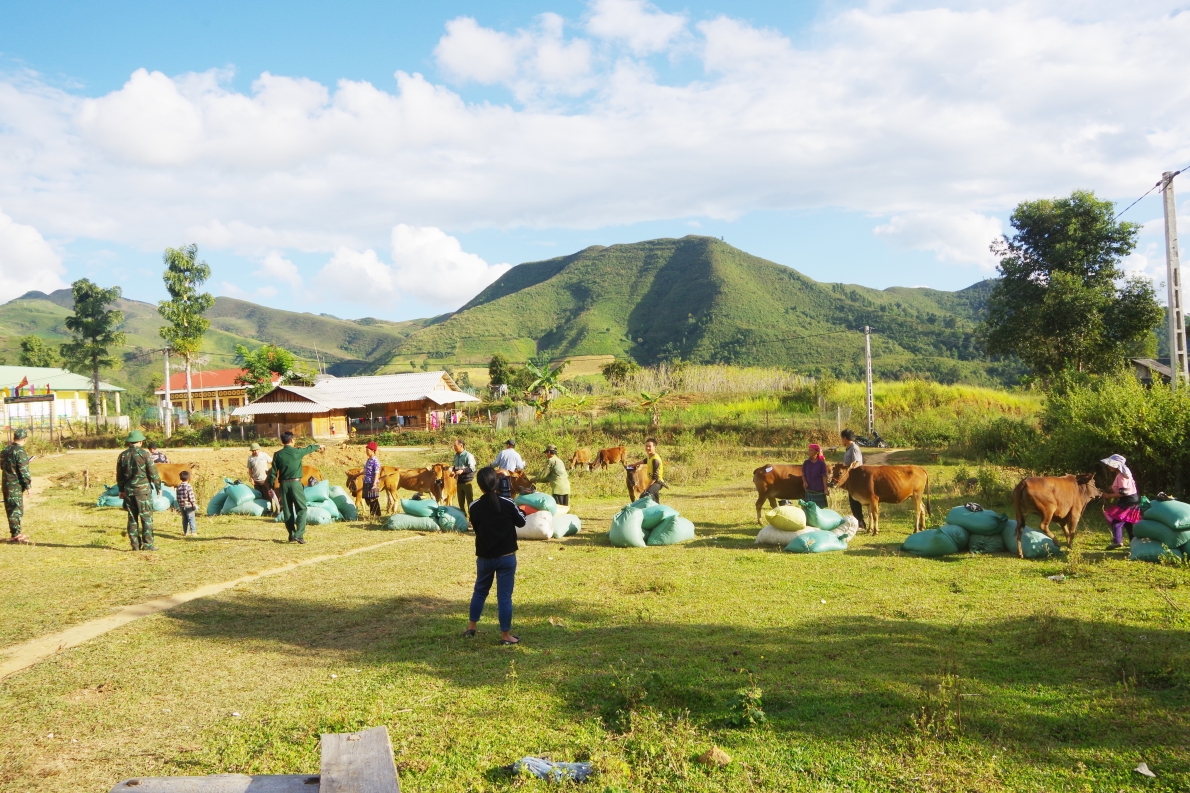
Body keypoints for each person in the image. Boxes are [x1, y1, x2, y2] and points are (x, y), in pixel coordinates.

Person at [464, 466, 524, 645]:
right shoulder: (508, 503)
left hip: (485, 557)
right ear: (497, 482)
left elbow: (476, 528)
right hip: (506, 557)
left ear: (479, 486)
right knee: (504, 597)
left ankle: (471, 627)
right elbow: (521, 522)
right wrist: (520, 509)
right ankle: (505, 636)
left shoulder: (474, 506)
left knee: (480, 591)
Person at [267, 431, 325, 544]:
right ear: (292, 440)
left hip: (283, 485)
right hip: (296, 484)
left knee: (287, 510)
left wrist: (271, 487)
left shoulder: (277, 454)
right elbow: (309, 448)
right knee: (301, 509)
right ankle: (299, 534)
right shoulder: (297, 452)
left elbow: (273, 473)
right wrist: (319, 446)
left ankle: (292, 535)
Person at [116, 429, 162, 551]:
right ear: (141, 442)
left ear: (129, 442)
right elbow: (153, 473)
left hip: (128, 491)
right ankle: (148, 545)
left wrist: (121, 490)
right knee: (146, 518)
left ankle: (135, 545)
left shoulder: (122, 455)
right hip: (143, 492)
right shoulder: (145, 454)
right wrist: (158, 487)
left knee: (132, 519)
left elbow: (119, 475)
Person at [1100, 453, 1141, 550]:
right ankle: (1134, 544)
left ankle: (1117, 541)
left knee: (1116, 522)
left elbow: (1124, 492)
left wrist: (1108, 496)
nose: (1108, 466)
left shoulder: (1121, 476)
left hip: (1127, 501)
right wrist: (1113, 487)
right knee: (1128, 523)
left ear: (1116, 465)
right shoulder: (1126, 473)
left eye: (1110, 464)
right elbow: (1126, 487)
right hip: (1133, 500)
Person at [2, 428, 32, 544]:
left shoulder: (5, 450)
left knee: (10, 509)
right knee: (16, 509)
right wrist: (28, 486)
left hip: (6, 484)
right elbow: (24, 471)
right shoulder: (20, 451)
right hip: (15, 485)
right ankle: (16, 535)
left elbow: (2, 465)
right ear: (24, 439)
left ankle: (15, 533)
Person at [840, 429, 866, 529]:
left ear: (844, 438)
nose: (841, 441)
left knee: (855, 502)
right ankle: (858, 522)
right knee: (852, 501)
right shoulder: (849, 449)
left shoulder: (854, 448)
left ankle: (860, 523)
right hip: (850, 480)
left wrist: (848, 471)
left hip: (855, 480)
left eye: (841, 439)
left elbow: (856, 463)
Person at [247, 443, 278, 513]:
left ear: (259, 449)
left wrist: (271, 472)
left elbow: (272, 463)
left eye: (256, 450)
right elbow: (250, 469)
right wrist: (251, 478)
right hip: (256, 481)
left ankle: (270, 510)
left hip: (265, 480)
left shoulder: (264, 455)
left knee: (268, 495)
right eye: (253, 451)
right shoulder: (250, 458)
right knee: (260, 496)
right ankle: (263, 510)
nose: (255, 452)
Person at [452, 439, 477, 517]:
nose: (454, 448)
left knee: (469, 501)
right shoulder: (456, 456)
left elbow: (472, 468)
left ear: (461, 445)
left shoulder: (468, 455)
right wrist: (453, 471)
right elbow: (455, 467)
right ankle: (463, 518)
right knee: (460, 502)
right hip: (459, 482)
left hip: (467, 482)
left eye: (455, 446)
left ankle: (472, 518)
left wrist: (462, 471)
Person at [802, 443, 829, 509]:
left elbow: (824, 476)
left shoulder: (821, 463)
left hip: (819, 489)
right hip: (809, 489)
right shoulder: (806, 462)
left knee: (819, 509)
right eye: (809, 450)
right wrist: (804, 482)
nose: (809, 452)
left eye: (812, 450)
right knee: (809, 509)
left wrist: (825, 489)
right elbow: (803, 474)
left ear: (817, 452)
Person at [639, 438, 665, 503]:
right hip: (652, 482)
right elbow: (645, 460)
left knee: (647, 494)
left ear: (654, 447)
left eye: (649, 446)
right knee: (655, 500)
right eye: (646, 446)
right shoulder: (650, 456)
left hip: (657, 482)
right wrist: (634, 464)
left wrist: (646, 489)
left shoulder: (655, 460)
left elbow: (655, 477)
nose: (647, 448)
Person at [362, 441, 382, 517]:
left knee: (373, 499)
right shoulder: (368, 460)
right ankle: (373, 514)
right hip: (366, 482)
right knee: (367, 499)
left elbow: (377, 472)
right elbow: (365, 470)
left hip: (372, 482)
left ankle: (377, 515)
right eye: (366, 450)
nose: (366, 452)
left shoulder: (375, 461)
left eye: (368, 450)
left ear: (373, 451)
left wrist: (375, 482)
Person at [176, 469, 198, 536]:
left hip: (181, 505)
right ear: (189, 478)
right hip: (188, 505)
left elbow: (177, 497)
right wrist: (193, 504)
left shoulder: (178, 486)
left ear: (180, 478)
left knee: (184, 519)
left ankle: (186, 532)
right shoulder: (188, 486)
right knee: (191, 518)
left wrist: (179, 504)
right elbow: (191, 496)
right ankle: (193, 532)